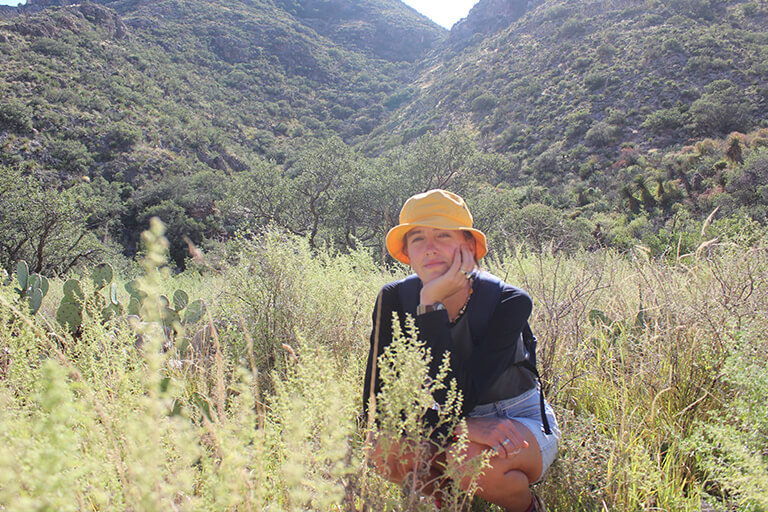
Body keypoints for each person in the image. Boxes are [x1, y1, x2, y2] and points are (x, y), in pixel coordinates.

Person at [363, 189, 560, 512]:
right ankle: (452, 499)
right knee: (385, 451)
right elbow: (376, 400)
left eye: (443, 235)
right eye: (418, 239)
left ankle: (526, 506)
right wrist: (457, 426)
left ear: (468, 246)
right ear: (407, 253)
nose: (430, 249)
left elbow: (463, 392)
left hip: (511, 417)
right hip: (442, 416)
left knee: (468, 460)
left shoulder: (508, 302)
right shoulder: (395, 298)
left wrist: (429, 307)